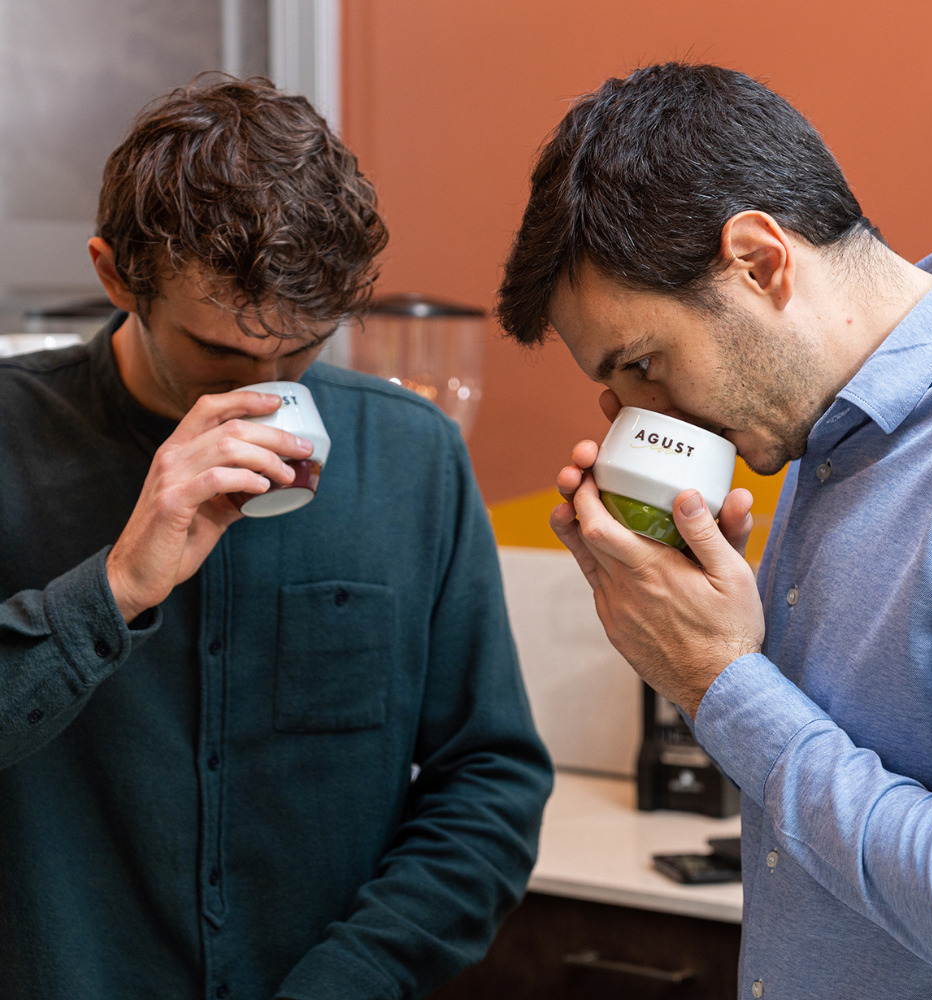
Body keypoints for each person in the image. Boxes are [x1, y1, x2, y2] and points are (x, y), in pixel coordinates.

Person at [0, 74, 551, 1000]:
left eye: (301, 349)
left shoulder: (412, 458)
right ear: (113, 276)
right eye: (221, 351)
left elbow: (487, 786)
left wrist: (352, 979)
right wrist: (116, 588)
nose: (264, 384)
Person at [496, 61, 932, 999]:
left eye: (643, 363)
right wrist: (694, 632)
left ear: (761, 261)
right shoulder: (820, 428)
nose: (636, 415)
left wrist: (718, 680)